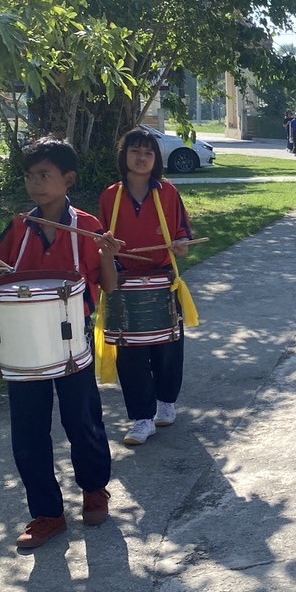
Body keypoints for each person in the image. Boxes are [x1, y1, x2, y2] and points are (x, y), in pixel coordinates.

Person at [0, 137, 120, 550]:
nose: (35, 183)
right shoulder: (20, 227)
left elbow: (109, 284)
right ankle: (47, 513)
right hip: (23, 345)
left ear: (68, 180)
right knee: (28, 430)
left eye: (44, 175)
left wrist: (106, 253)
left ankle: (94, 489)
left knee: (82, 420)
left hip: (73, 339)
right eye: (30, 176)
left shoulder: (87, 227)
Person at [100, 129, 193, 446]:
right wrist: (107, 249)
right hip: (124, 280)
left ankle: (166, 402)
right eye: (135, 151)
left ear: (156, 159)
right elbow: (102, 238)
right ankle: (142, 418)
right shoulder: (109, 196)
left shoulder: (168, 192)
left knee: (168, 346)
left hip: (162, 277)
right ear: (123, 156)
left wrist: (181, 243)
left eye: (148, 153)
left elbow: (182, 231)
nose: (141, 158)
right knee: (130, 352)